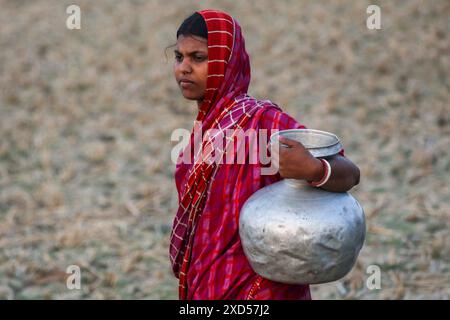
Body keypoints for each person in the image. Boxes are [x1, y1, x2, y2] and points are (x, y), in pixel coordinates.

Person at [169, 9, 360, 300]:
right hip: (207, 285)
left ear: (226, 63)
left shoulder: (262, 123)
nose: (184, 67)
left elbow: (349, 173)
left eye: (198, 58)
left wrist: (314, 170)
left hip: (260, 290)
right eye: (179, 57)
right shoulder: (201, 135)